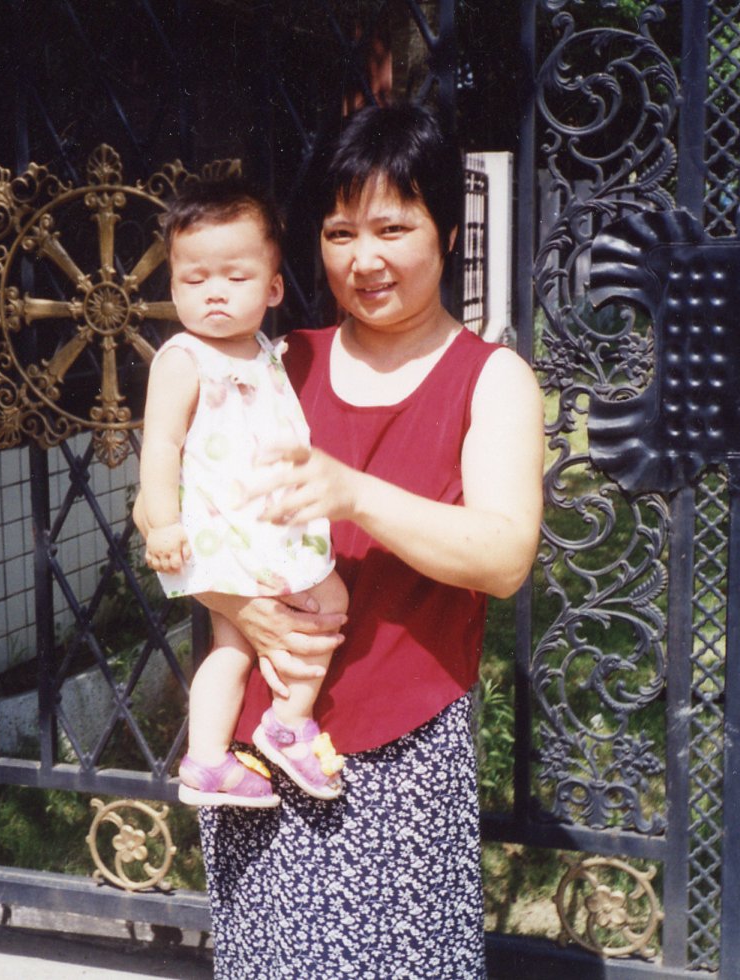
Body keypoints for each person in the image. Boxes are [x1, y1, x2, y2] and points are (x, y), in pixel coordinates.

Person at [185, 103, 545, 977]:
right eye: (340, 232)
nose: (364, 258)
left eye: (393, 227)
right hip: (264, 747)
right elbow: (178, 522)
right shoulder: (275, 363)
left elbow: (504, 557)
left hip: (403, 754)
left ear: (446, 232)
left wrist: (354, 493)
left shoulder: (491, 379)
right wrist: (237, 606)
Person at [139, 177, 350, 810]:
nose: (215, 292)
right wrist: (164, 524)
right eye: (195, 279)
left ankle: (207, 760)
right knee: (322, 603)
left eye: (235, 277)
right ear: (174, 287)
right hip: (227, 530)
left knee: (236, 645)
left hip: (269, 525)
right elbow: (160, 445)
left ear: (273, 288)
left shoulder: (262, 351)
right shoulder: (183, 359)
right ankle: (286, 724)